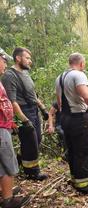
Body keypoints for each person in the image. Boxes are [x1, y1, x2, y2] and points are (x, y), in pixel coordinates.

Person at [56, 53, 88, 194]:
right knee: (85, 150)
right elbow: (87, 96)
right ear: (81, 63)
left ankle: (76, 179)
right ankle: (87, 184)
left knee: (72, 149)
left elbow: (60, 103)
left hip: (65, 118)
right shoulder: (78, 75)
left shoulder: (60, 78)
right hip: (79, 119)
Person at [1, 47, 48, 181]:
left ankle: (22, 159)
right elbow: (12, 100)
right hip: (22, 111)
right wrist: (24, 119)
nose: (30, 61)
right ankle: (32, 172)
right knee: (30, 142)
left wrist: (43, 109)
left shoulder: (25, 74)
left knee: (37, 139)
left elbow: (33, 95)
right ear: (18, 58)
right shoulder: (10, 76)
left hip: (33, 109)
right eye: (27, 58)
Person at [0, 48, 30, 208]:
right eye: (2, 60)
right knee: (7, 162)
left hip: (4, 125)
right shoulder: (8, 77)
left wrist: (11, 122)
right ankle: (8, 200)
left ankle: (4, 190)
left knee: (3, 162)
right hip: (0, 129)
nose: (5, 62)